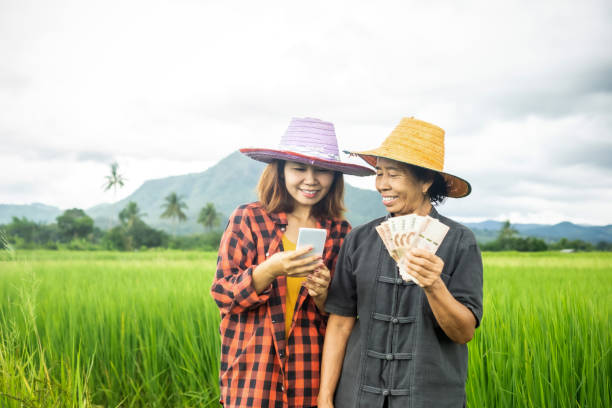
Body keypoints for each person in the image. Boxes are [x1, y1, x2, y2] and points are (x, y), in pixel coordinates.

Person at [318, 117, 483, 408]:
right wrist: (325, 397)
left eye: (393, 174)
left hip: (428, 398)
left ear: (426, 180)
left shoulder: (459, 241)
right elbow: (341, 322)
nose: (382, 185)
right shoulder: (359, 239)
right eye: (379, 173)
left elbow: (464, 332)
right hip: (358, 397)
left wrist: (434, 286)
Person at [210, 117, 373, 408]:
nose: (311, 180)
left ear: (334, 177)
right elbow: (223, 294)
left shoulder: (340, 233)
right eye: (299, 169)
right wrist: (270, 269)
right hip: (252, 375)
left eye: (322, 170)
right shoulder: (249, 219)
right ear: (281, 171)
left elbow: (341, 316)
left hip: (309, 374)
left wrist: (323, 295)